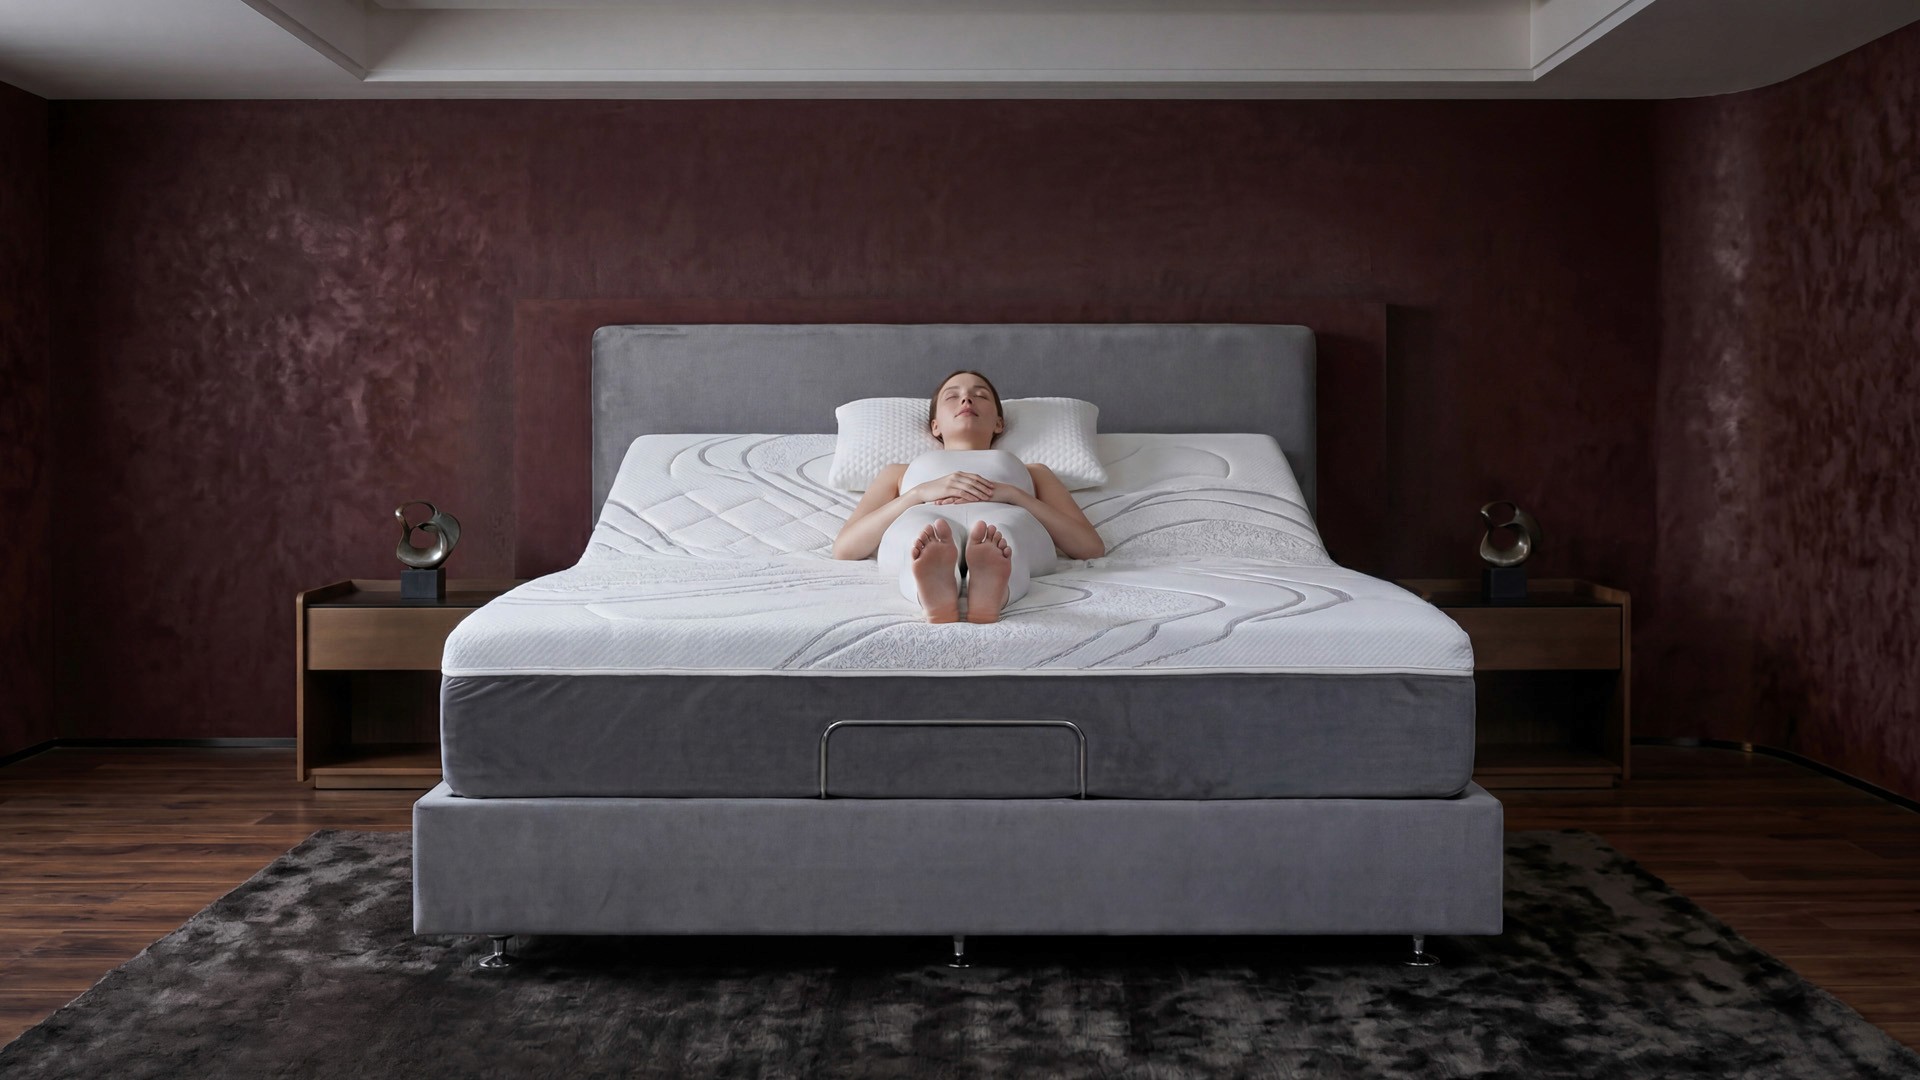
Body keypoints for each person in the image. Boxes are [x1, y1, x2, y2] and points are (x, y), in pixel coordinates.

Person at [831, 370, 1105, 623]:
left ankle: (991, 590)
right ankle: (936, 588)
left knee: (1003, 534)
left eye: (980, 395)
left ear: (999, 423)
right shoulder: (898, 472)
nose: (966, 399)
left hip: (1006, 518)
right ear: (935, 426)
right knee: (922, 534)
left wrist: (1013, 495)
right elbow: (845, 548)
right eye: (952, 396)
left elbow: (1089, 547)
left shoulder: (1035, 472)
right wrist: (918, 494)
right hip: (924, 515)